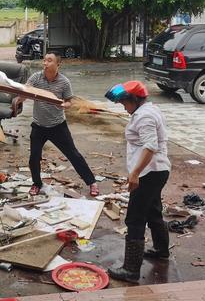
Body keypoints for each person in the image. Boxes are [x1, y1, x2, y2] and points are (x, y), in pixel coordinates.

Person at [105, 80, 171, 283]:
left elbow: (150, 146)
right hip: (156, 171)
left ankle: (131, 270)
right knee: (153, 210)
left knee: (134, 219)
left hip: (149, 174)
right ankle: (161, 250)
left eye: (124, 102)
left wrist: (135, 174)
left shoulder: (145, 116)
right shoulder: (147, 111)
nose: (123, 107)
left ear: (134, 99)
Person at [24, 52, 98, 197]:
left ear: (58, 64)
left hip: (58, 126)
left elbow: (70, 100)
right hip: (38, 126)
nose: (45, 63)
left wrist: (66, 105)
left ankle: (92, 182)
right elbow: (25, 92)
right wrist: (17, 101)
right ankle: (37, 183)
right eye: (44, 60)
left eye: (49, 61)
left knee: (73, 155)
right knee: (34, 157)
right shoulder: (36, 78)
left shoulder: (64, 82)